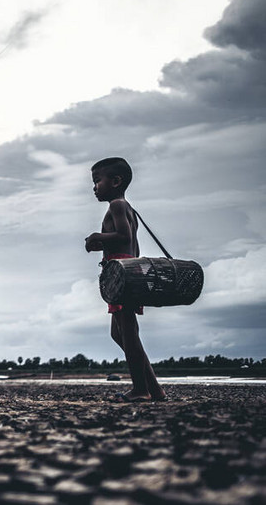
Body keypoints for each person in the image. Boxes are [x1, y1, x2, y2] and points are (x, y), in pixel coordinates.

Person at [85, 157, 166, 403]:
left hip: (123, 274)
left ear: (116, 181)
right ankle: (155, 389)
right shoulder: (127, 208)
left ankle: (141, 389)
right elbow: (127, 241)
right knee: (119, 334)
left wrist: (96, 236)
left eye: (98, 181)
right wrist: (101, 243)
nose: (95, 187)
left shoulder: (118, 206)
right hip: (127, 271)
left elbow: (124, 235)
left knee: (128, 333)